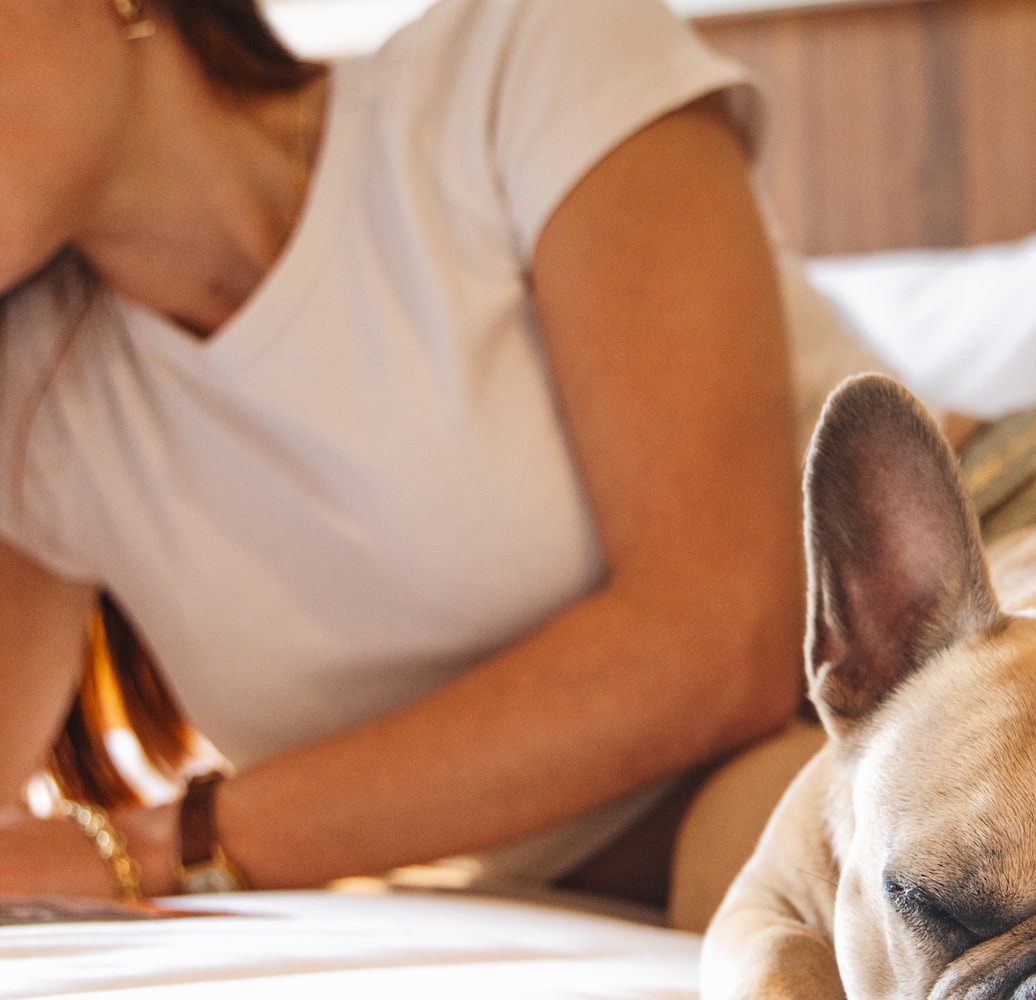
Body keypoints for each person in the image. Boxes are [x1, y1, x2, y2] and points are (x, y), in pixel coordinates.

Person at [0, 0, 816, 910]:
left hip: (964, 591)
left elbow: (720, 643)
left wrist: (172, 843)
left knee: (827, 845)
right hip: (731, 847)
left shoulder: (530, 59)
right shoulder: (32, 406)